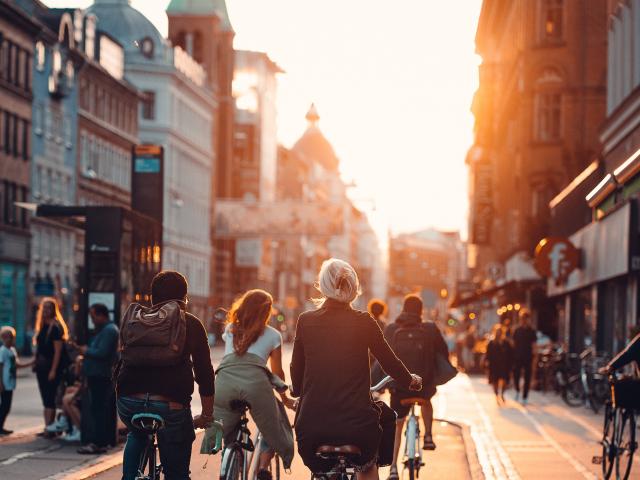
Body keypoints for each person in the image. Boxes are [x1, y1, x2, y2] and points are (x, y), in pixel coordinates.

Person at [291, 258, 422, 480]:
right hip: (357, 426)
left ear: (322, 285)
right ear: (354, 287)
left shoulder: (305, 321)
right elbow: (388, 360)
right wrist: (410, 380)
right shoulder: (364, 322)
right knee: (382, 429)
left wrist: (298, 392)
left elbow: (297, 368)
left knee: (318, 468)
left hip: (313, 427)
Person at [115, 270, 215, 480]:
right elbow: (205, 374)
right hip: (170, 407)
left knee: (137, 431)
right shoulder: (191, 323)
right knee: (177, 474)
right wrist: (206, 415)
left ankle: (129, 476)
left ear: (152, 298)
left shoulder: (136, 321)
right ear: (184, 299)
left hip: (128, 402)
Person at [203, 290, 295, 480]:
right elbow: (277, 372)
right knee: (274, 425)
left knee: (225, 424)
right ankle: (263, 468)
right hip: (256, 386)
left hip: (223, 383)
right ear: (266, 312)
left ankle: (227, 458)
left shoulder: (230, 329)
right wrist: (285, 399)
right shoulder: (273, 335)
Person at [382, 294, 449, 479]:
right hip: (423, 386)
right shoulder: (430, 329)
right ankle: (428, 436)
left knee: (397, 425)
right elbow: (443, 352)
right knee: (426, 401)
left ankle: (393, 468)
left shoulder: (392, 328)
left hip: (399, 388)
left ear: (403, 308)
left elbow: (382, 357)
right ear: (421, 311)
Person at [74, 303, 119, 454]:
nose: (92, 319)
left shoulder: (109, 330)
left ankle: (98, 443)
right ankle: (101, 442)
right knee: (99, 409)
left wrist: (86, 350)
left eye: (93, 316)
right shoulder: (106, 330)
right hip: (97, 375)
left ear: (101, 315)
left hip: (100, 375)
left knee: (99, 410)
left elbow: (102, 353)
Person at [33, 297, 70, 435]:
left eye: (49, 308)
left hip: (51, 368)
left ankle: (50, 429)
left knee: (50, 397)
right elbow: (40, 349)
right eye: (45, 307)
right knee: (45, 398)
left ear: (54, 310)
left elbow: (58, 352)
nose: (46, 310)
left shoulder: (55, 327)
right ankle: (47, 427)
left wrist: (53, 370)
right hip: (41, 368)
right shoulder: (42, 325)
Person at [0, 326, 33, 435]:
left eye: (11, 337)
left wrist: (31, 363)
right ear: (2, 338)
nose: (9, 339)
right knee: (4, 406)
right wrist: (0, 383)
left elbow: (17, 365)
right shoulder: (2, 351)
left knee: (7, 406)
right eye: (7, 337)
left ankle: (1, 426)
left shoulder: (13, 350)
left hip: (11, 382)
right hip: (4, 382)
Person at [512, 309, 537, 405]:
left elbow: (534, 345)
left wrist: (535, 357)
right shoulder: (517, 330)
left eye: (525, 318)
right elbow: (513, 344)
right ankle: (517, 390)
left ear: (528, 319)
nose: (524, 320)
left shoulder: (531, 331)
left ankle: (525, 396)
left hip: (528, 357)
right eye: (522, 318)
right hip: (517, 357)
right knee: (516, 375)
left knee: (527, 377)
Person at [485, 325, 513, 405]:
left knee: (504, 381)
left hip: (504, 365)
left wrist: (511, 364)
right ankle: (497, 395)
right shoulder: (491, 343)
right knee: (495, 381)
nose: (498, 334)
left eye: (500, 332)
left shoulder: (506, 343)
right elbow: (488, 354)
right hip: (494, 365)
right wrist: (487, 362)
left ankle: (502, 394)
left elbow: (510, 354)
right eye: (497, 332)